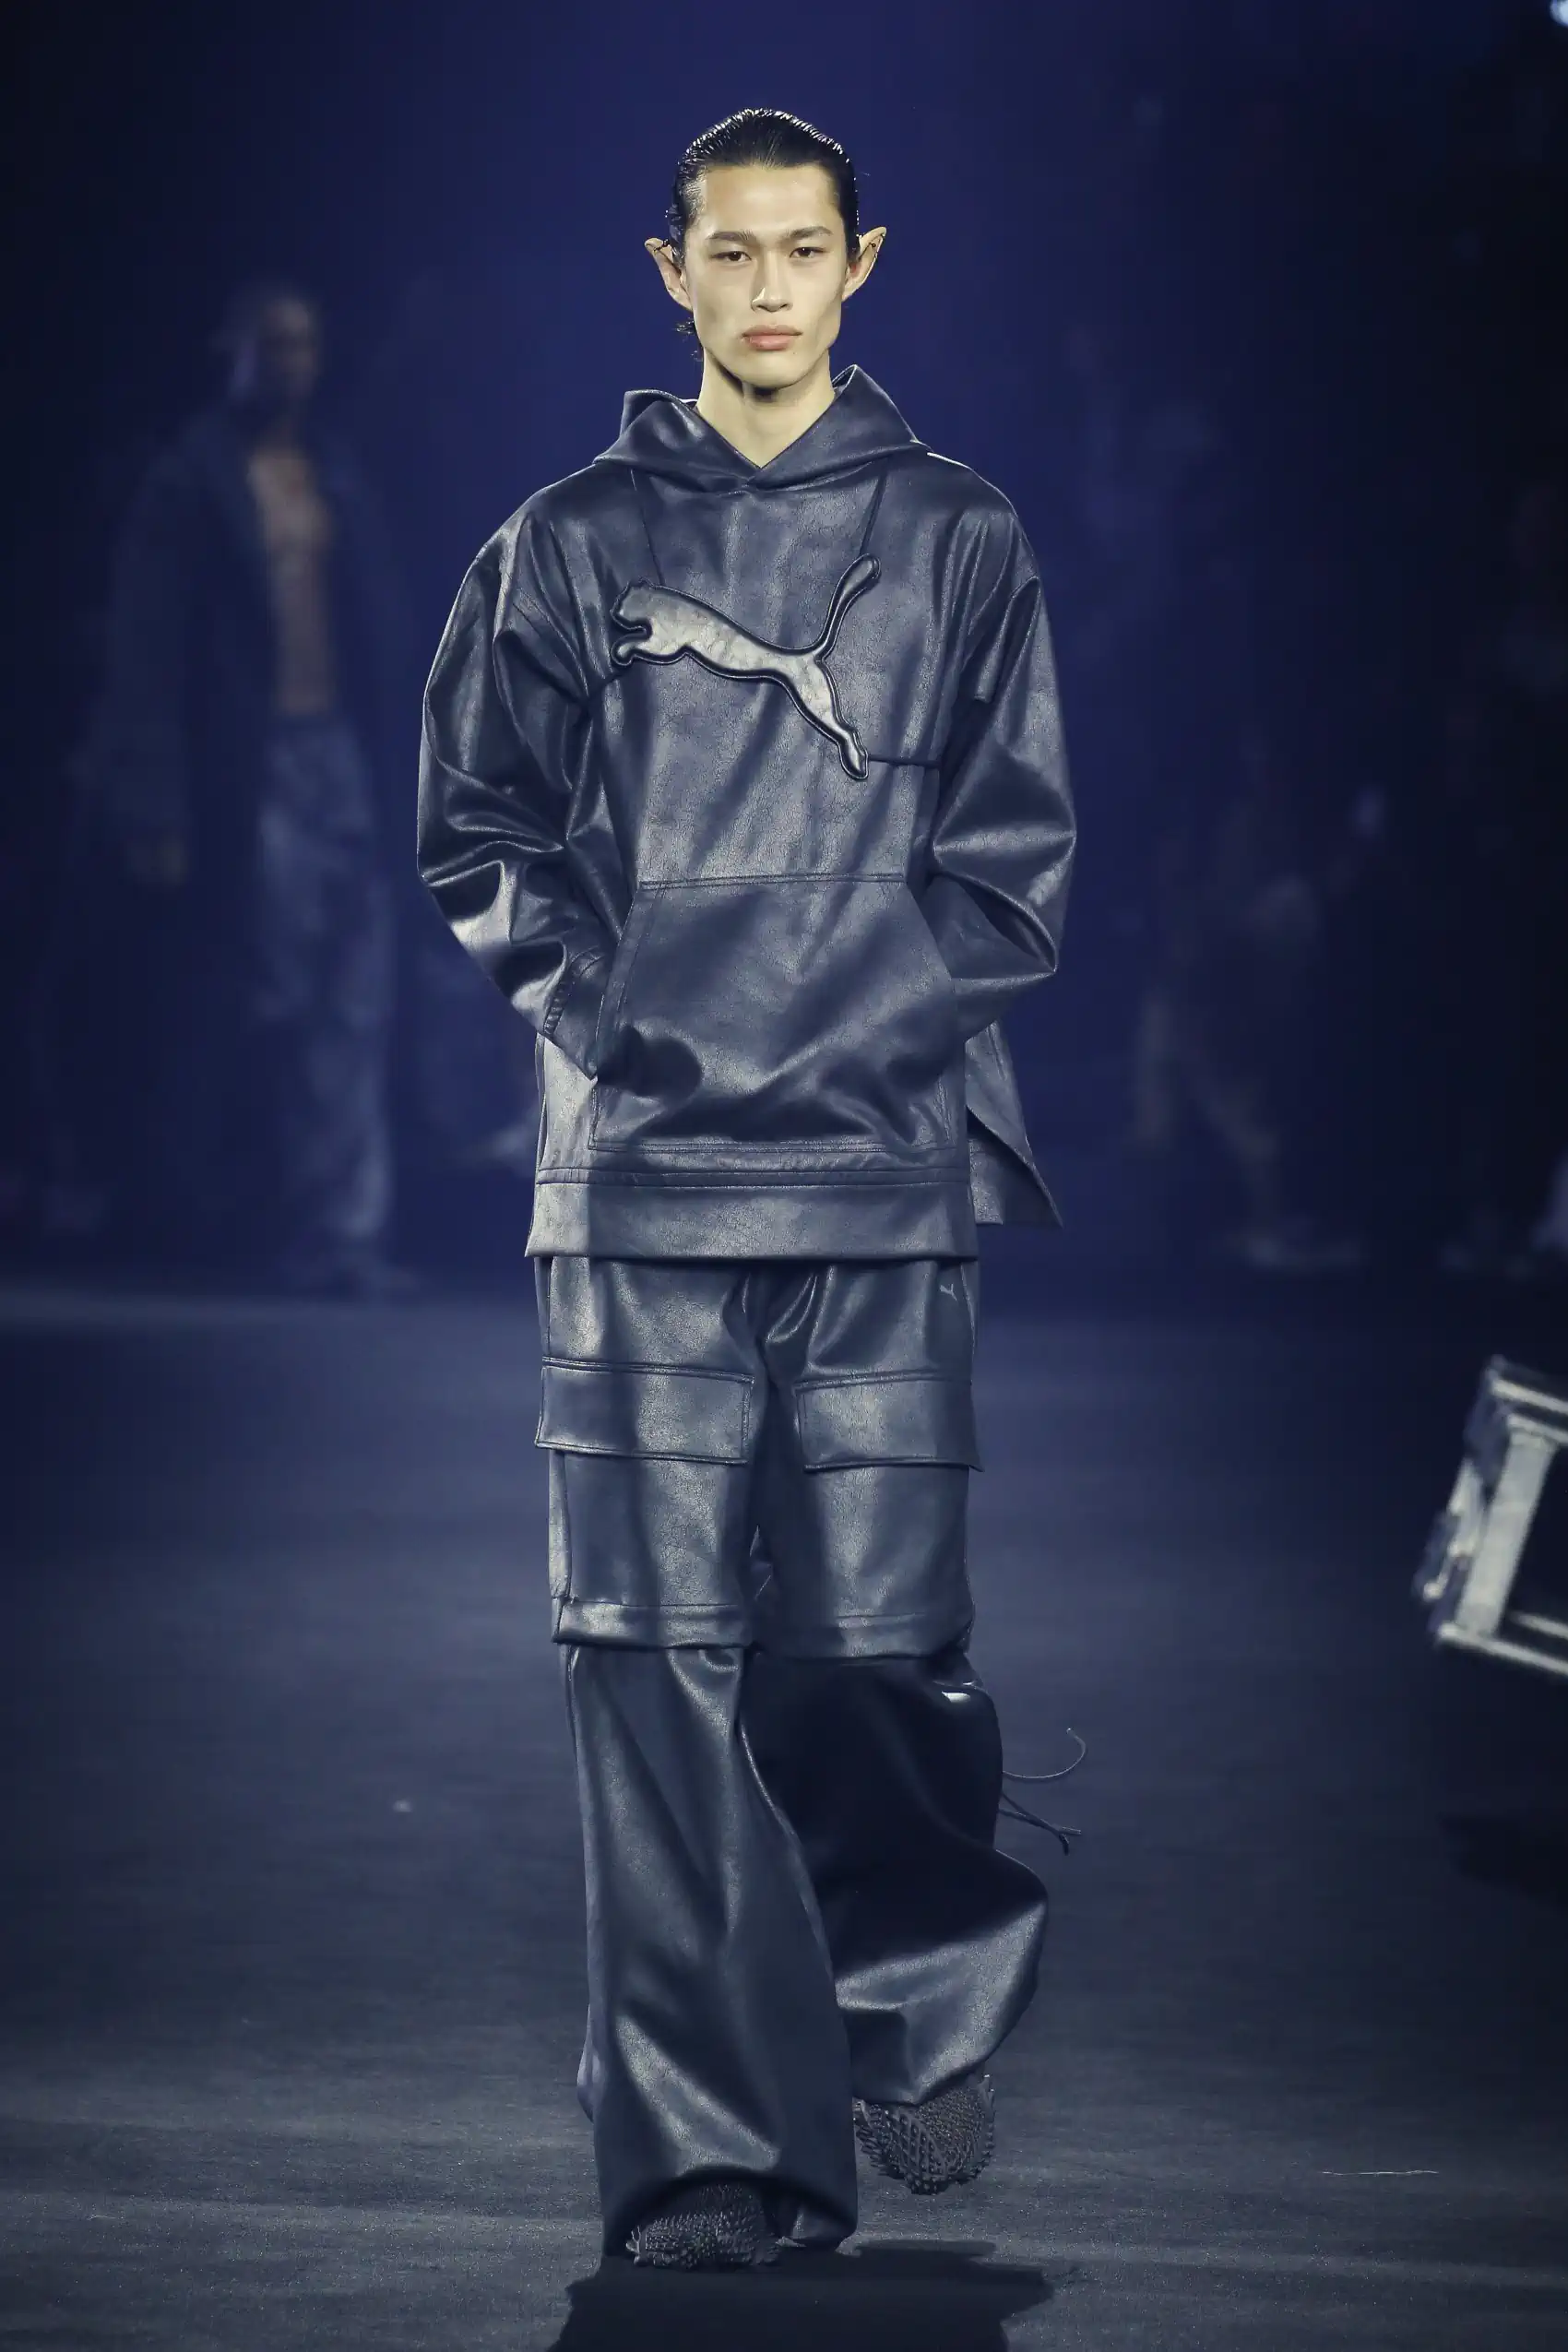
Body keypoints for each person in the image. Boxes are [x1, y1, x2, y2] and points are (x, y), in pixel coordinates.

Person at [419, 109, 1075, 2269]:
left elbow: (1010, 866)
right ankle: (706, 2157)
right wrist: (613, 1014)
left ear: (859, 264)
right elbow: (477, 826)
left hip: (878, 1172)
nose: (769, 285)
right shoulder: (566, 545)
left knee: (871, 1646)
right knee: (651, 1663)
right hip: (640, 1180)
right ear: (670, 270)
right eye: (732, 250)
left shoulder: (957, 537)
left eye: (804, 249)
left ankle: (909, 1997)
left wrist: (837, 1026)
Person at [91, 282, 411, 1293]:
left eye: (304, 345)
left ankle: (340, 1232)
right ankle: (237, 1212)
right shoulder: (191, 480)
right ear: (231, 350)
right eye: (272, 345)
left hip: (336, 754)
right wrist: (153, 800)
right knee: (262, 988)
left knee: (352, 987)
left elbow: (381, 630)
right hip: (245, 764)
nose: (291, 364)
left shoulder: (334, 474)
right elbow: (145, 649)